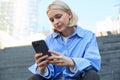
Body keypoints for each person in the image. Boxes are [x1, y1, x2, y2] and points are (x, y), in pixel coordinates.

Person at [28, 0, 101, 80]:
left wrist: (71, 62)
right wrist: (43, 69)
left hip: (79, 78)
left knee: (92, 74)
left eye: (58, 17)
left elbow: (93, 63)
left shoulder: (88, 36)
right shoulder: (49, 40)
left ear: (69, 14)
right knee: (34, 78)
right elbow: (48, 70)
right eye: (52, 20)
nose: (55, 22)